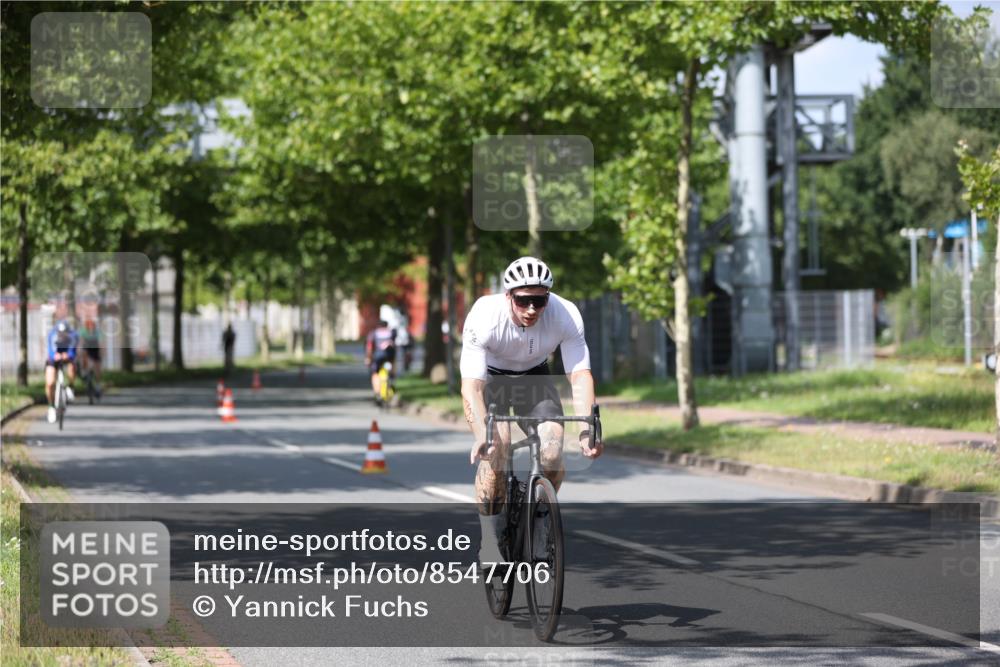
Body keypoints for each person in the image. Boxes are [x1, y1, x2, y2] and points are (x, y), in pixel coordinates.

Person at [460, 256, 602, 567]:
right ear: (508, 296)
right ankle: (489, 539)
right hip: (492, 379)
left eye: (539, 300)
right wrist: (481, 434)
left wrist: (586, 430)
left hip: (535, 377)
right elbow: (472, 386)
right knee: (497, 447)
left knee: (552, 449)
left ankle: (539, 519)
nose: (532, 309)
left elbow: (579, 375)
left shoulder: (565, 314)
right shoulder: (484, 316)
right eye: (523, 300)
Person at [45, 319, 79, 423]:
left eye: (64, 333)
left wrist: (68, 355)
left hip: (66, 356)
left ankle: (70, 386)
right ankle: (51, 406)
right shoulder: (52, 335)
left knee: (72, 366)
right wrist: (54, 356)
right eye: (60, 333)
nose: (62, 335)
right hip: (54, 357)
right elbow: (50, 350)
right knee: (50, 383)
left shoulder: (73, 336)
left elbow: (73, 351)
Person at [365, 319, 397, 405]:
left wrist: (368, 358)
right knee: (392, 366)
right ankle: (392, 380)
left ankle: (377, 393)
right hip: (390, 356)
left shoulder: (373, 333)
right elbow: (395, 345)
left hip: (378, 357)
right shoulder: (392, 333)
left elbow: (369, 347)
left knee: (375, 374)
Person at [79, 318, 103, 398]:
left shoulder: (97, 332)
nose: (91, 327)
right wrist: (79, 351)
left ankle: (98, 385)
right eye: (89, 325)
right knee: (84, 356)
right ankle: (84, 372)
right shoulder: (83, 332)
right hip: (87, 350)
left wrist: (102, 352)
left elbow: (101, 343)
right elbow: (81, 342)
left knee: (97, 369)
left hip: (95, 351)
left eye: (92, 325)